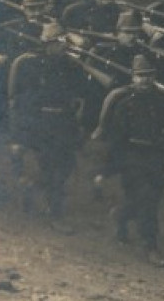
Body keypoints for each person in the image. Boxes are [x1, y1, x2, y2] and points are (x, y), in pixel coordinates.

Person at [6, 21, 99, 230]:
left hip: (64, 123)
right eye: (57, 43)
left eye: (63, 42)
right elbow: (20, 99)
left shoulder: (71, 65)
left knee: (66, 166)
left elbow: (80, 94)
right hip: (42, 123)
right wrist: (24, 130)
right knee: (52, 168)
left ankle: (31, 187)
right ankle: (56, 215)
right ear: (47, 44)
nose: (62, 46)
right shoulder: (30, 64)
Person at [96, 55, 164, 266]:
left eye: (148, 76)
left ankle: (120, 216)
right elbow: (117, 139)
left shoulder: (162, 100)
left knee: (148, 199)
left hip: (156, 157)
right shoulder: (125, 103)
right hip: (132, 157)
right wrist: (107, 168)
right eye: (140, 76)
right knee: (148, 201)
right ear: (133, 78)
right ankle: (150, 246)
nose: (144, 80)